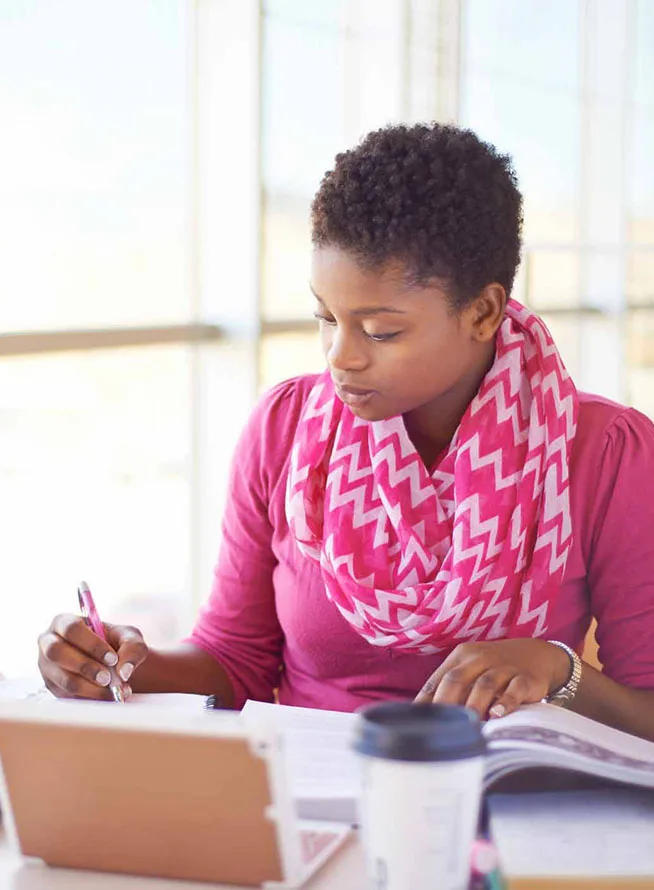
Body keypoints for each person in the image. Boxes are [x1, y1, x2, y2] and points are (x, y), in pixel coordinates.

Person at [37, 123, 654, 741]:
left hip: (500, 808)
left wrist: (558, 669)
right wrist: (116, 667)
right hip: (304, 801)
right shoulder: (286, 432)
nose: (340, 357)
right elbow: (236, 662)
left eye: (380, 331)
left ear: (483, 312)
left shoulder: (603, 453)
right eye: (326, 318)